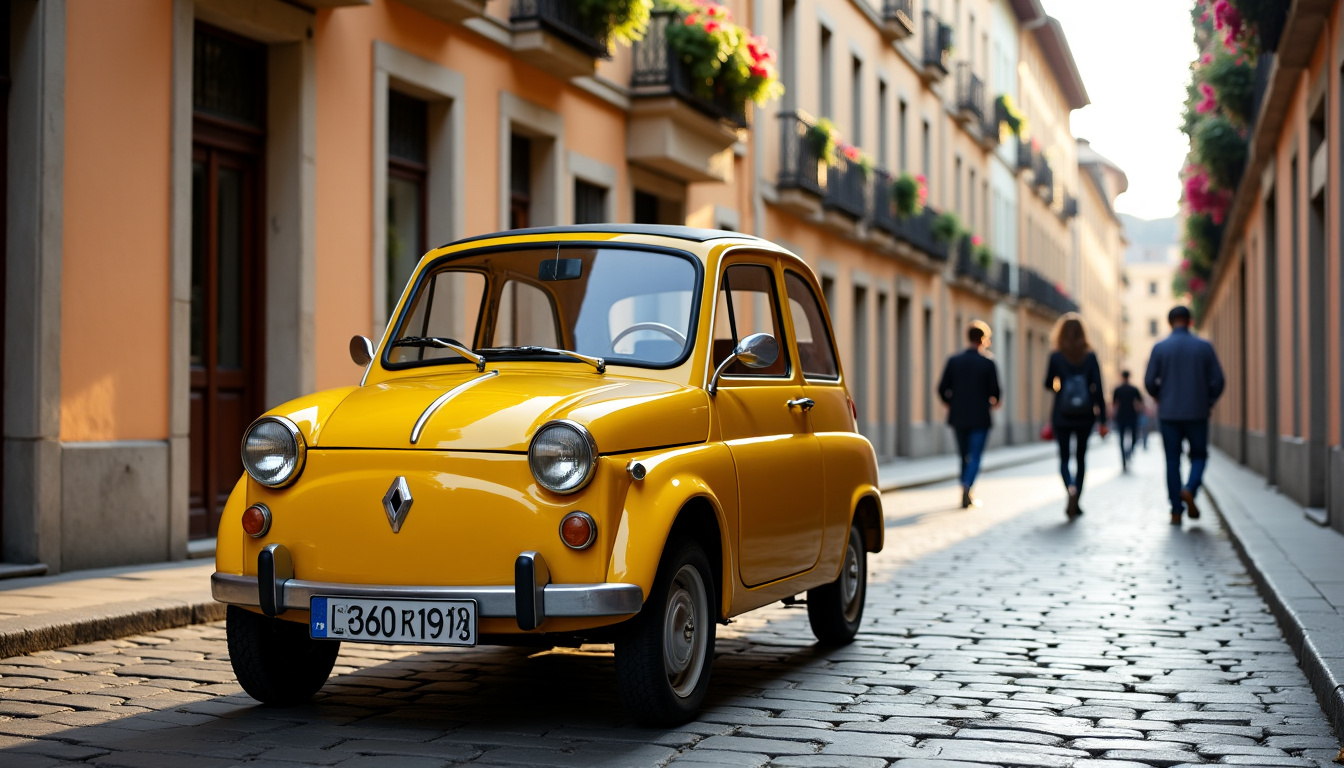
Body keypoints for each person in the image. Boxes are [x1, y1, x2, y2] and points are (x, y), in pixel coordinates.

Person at [1144, 305, 1225, 526]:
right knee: (1199, 455)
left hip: (1169, 413)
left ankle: (1176, 510)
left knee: (1172, 460)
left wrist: (1160, 397)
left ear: (1170, 323)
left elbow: (1149, 382)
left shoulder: (1160, 348)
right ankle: (1190, 489)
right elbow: (1218, 381)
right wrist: (1207, 401)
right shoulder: (1204, 347)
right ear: (1190, 322)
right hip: (1197, 412)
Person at [1043, 313, 1107, 519]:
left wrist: (1060, 384)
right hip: (1085, 415)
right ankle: (1077, 498)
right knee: (1080, 457)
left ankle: (1069, 488)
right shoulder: (1090, 356)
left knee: (1063, 457)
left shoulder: (1056, 356)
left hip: (1062, 413)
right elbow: (1098, 389)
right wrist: (1103, 420)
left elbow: (1048, 384)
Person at [937, 321, 1002, 509]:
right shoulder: (988, 363)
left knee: (963, 455)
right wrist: (993, 402)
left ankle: (965, 487)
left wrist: (950, 402)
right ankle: (967, 486)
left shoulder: (954, 361)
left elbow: (942, 388)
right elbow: (996, 393)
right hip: (980, 417)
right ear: (983, 339)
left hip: (958, 416)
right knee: (975, 455)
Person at [1112, 370, 1145, 472]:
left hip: (1121, 416)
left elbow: (1114, 404)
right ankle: (1129, 453)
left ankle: (1124, 460)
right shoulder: (1133, 389)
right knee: (1134, 437)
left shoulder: (1118, 389)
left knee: (1121, 440)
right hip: (1132, 416)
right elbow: (1140, 402)